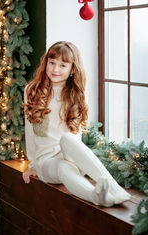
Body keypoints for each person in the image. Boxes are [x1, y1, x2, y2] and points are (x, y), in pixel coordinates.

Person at [22, 41, 130, 207]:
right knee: (63, 167)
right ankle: (96, 196)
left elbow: (75, 136)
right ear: (46, 63)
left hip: (71, 156)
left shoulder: (77, 95)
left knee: (67, 139)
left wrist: (75, 162)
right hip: (47, 162)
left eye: (63, 65)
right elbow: (29, 130)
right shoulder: (32, 90)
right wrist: (32, 164)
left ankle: (115, 191)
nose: (55, 69)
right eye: (52, 63)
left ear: (73, 69)